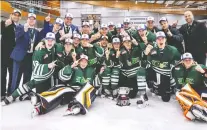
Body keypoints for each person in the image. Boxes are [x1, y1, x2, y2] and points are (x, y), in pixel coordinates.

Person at [2, 32, 63, 106]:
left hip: (50, 77)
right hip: (40, 77)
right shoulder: (39, 51)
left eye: (52, 40)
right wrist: (48, 66)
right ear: (45, 40)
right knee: (33, 85)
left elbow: (61, 46)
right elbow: (36, 69)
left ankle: (31, 95)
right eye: (48, 40)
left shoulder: (55, 47)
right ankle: (12, 96)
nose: (50, 42)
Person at [144, 31, 181, 102]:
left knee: (166, 98)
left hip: (166, 74)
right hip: (156, 72)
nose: (160, 40)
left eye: (162, 38)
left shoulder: (172, 49)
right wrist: (145, 54)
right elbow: (147, 62)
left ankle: (172, 86)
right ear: (156, 40)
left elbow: (180, 59)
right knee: (147, 70)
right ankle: (154, 85)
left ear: (165, 39)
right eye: (158, 39)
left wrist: (172, 64)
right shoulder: (152, 50)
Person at [9, 13, 41, 94]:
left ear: (35, 21)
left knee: (28, 75)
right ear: (27, 19)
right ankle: (12, 93)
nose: (31, 20)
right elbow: (16, 36)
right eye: (30, 18)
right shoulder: (20, 27)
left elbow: (40, 41)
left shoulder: (36, 31)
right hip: (20, 55)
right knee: (16, 76)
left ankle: (24, 92)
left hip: (30, 56)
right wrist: (24, 30)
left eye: (33, 19)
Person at [172, 53, 207, 122]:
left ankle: (202, 110)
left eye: (189, 60)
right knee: (179, 94)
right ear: (182, 61)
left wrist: (203, 72)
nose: (188, 61)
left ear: (193, 60)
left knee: (204, 98)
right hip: (187, 91)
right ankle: (196, 111)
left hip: (200, 89)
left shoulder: (199, 67)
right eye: (185, 60)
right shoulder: (177, 69)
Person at [118, 36, 148, 107]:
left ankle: (143, 93)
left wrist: (137, 44)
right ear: (123, 43)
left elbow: (145, 47)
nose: (128, 43)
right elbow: (121, 66)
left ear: (131, 42)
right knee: (131, 95)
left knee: (141, 72)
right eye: (126, 42)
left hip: (137, 74)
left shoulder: (137, 49)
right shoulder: (121, 52)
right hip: (129, 76)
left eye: (129, 41)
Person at [1, 9, 21, 99]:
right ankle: (2, 93)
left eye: (18, 15)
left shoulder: (20, 27)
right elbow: (1, 30)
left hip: (14, 55)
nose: (16, 16)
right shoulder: (5, 23)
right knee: (3, 74)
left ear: (20, 17)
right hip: (4, 54)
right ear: (11, 15)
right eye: (14, 14)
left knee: (12, 74)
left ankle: (9, 92)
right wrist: (4, 24)